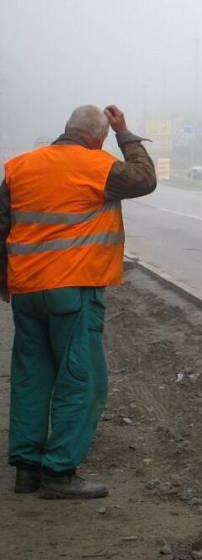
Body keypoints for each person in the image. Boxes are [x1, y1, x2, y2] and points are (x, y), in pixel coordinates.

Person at [0, 104, 157, 498]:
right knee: (81, 380)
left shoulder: (20, 167)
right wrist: (126, 134)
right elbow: (144, 178)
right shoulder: (97, 165)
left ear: (66, 128)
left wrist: (3, 279)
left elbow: (2, 225)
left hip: (27, 291)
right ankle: (59, 472)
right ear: (98, 137)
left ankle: (27, 470)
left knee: (31, 377)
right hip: (72, 291)